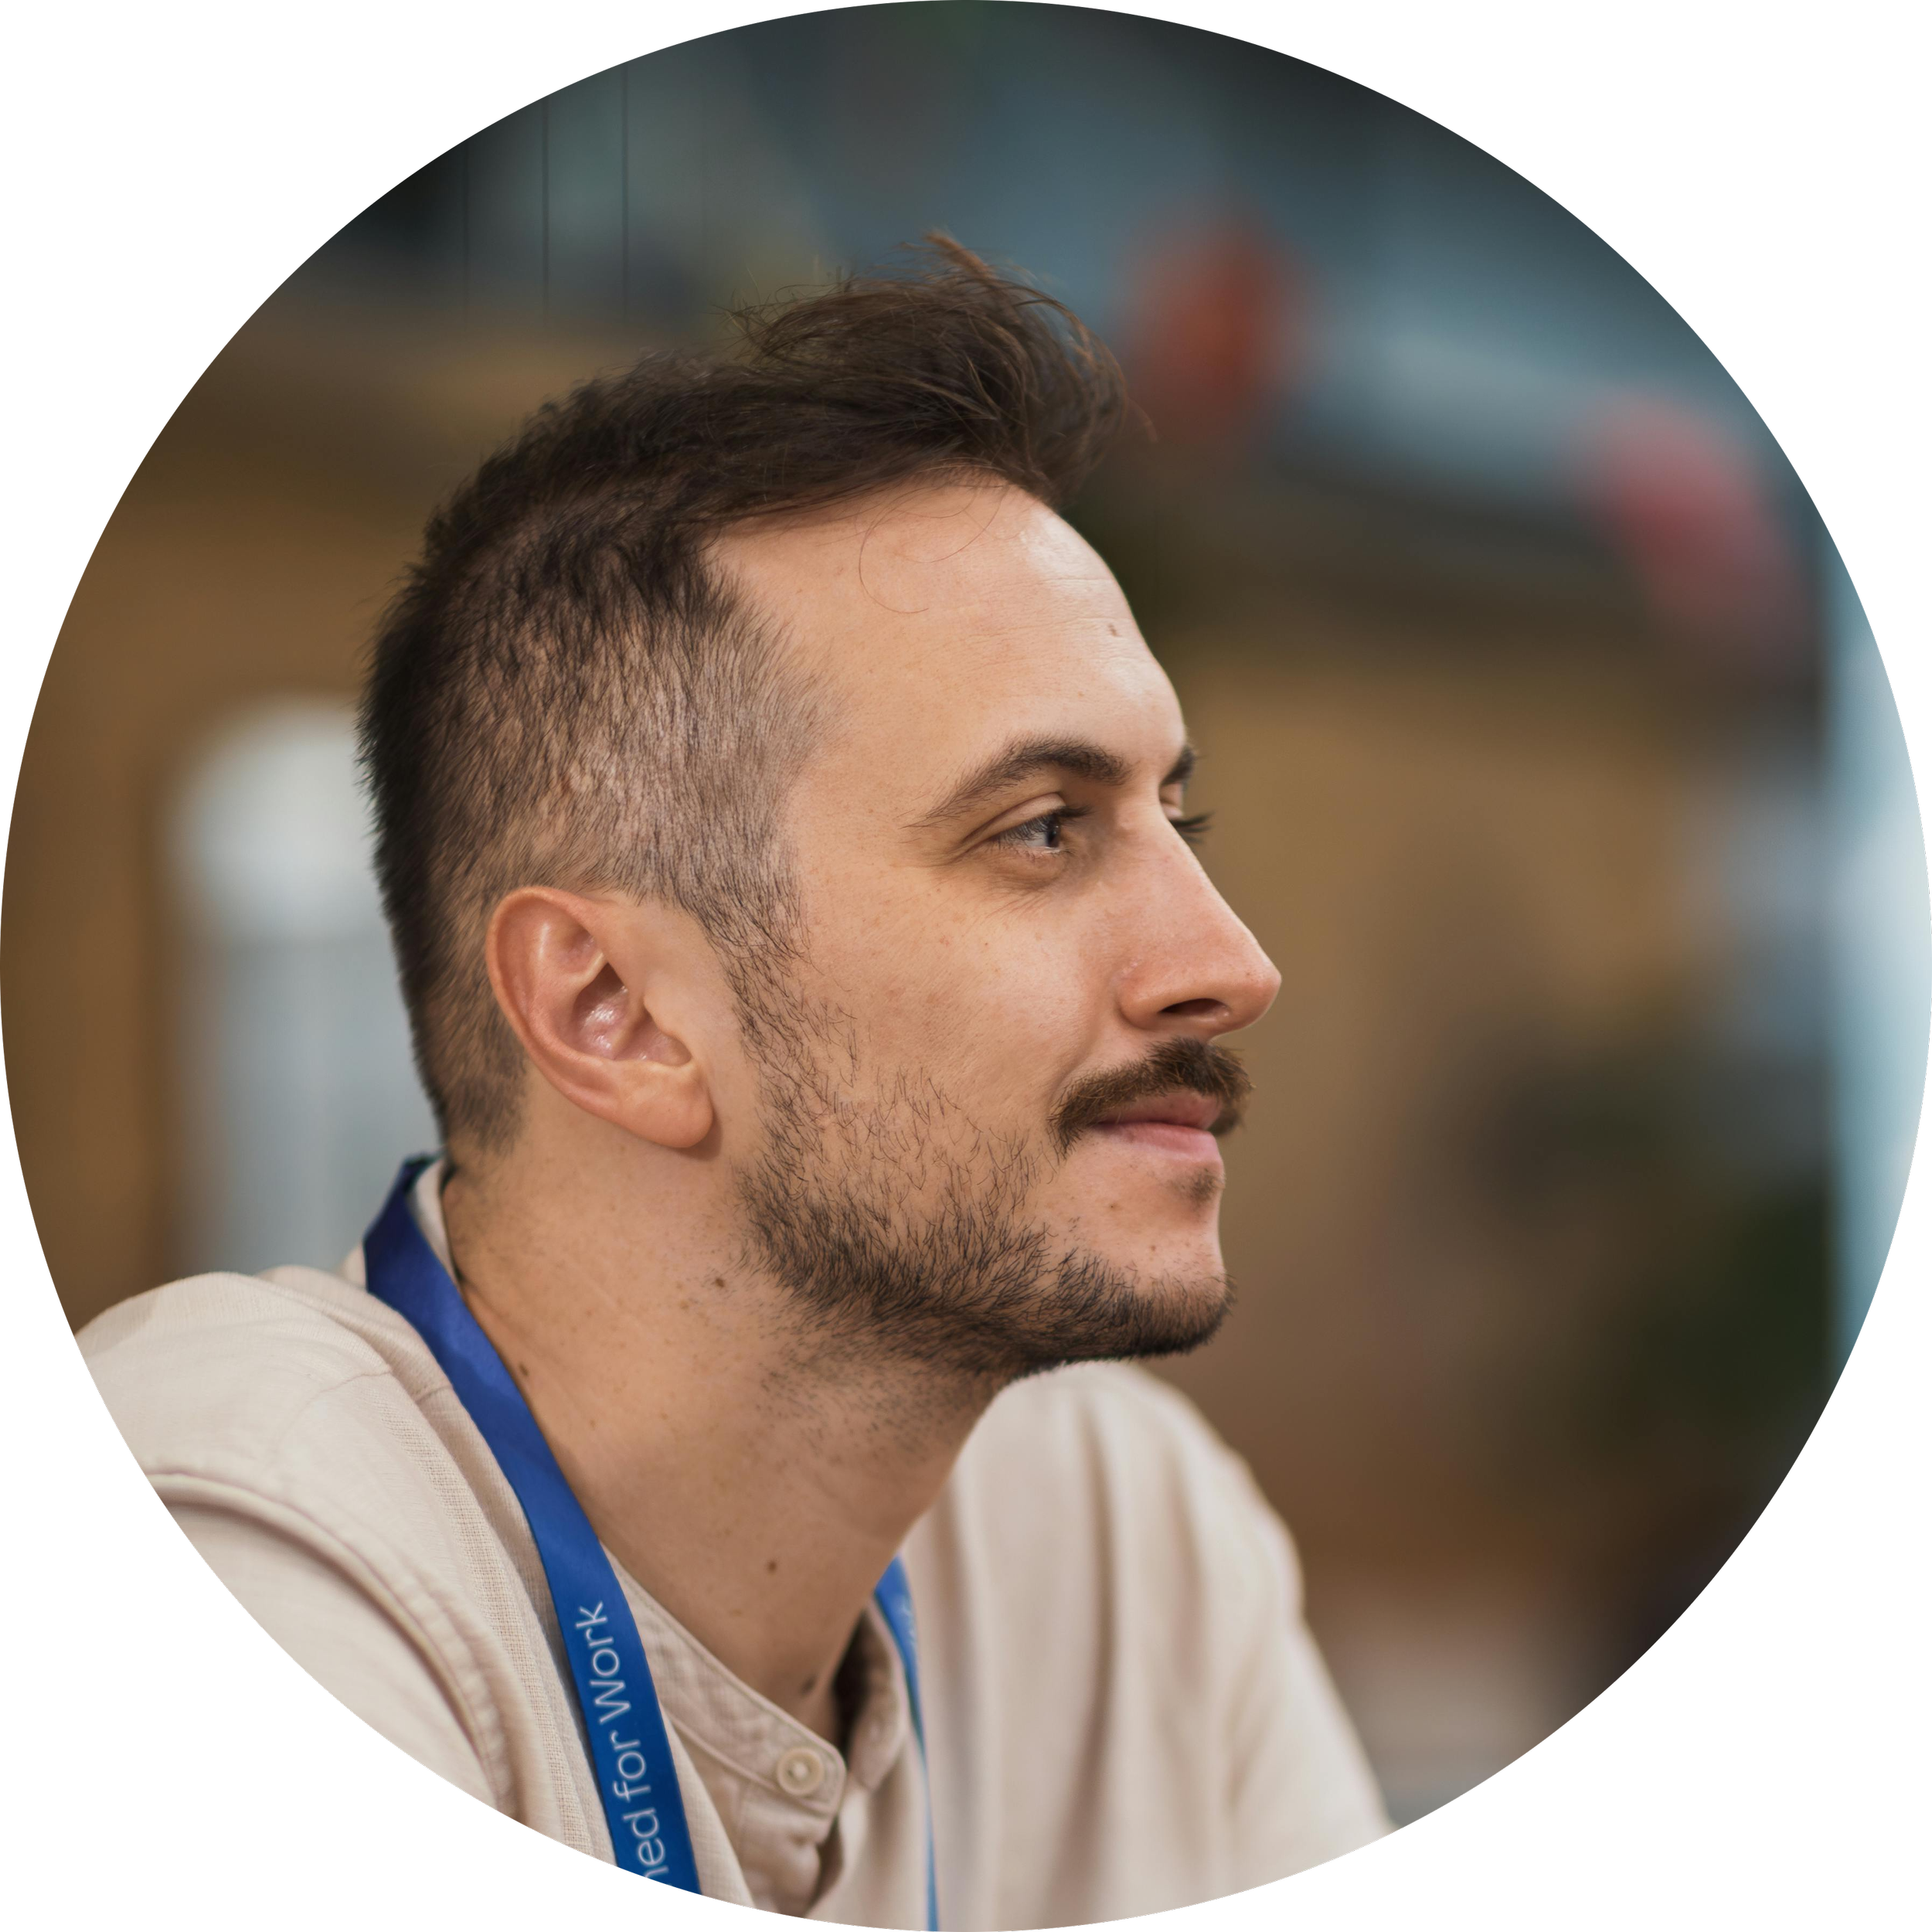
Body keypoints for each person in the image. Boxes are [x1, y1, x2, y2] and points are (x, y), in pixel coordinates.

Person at [79, 237, 1390, 1926]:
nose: (1231, 961)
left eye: (1175, 818)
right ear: (614, 1007)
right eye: (1042, 829)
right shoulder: (254, 1524)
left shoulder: (1122, 1540)